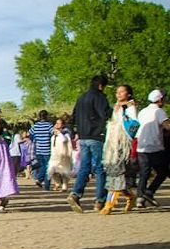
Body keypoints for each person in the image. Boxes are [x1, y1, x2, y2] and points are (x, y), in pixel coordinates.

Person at [68, 75, 111, 213]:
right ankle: (99, 200)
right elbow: (105, 114)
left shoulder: (81, 98)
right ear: (101, 86)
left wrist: (75, 131)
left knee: (84, 167)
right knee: (100, 168)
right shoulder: (100, 97)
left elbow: (73, 116)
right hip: (96, 135)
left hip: (83, 136)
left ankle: (75, 194)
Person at [100, 85, 138, 214]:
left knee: (117, 172)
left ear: (128, 93)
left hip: (121, 144)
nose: (119, 94)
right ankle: (130, 196)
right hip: (111, 143)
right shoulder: (115, 106)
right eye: (117, 92)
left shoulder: (130, 107)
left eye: (122, 91)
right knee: (113, 172)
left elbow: (133, 124)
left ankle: (109, 204)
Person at [135, 89, 170, 207]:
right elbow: (167, 127)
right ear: (160, 99)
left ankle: (140, 197)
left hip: (141, 146)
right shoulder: (159, 112)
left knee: (144, 172)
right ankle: (149, 192)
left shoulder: (142, 111)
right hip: (155, 146)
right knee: (163, 171)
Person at [29, 110, 54, 190]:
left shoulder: (35, 126)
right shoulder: (49, 126)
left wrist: (35, 140)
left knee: (42, 166)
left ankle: (41, 180)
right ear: (46, 116)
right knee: (48, 167)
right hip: (47, 149)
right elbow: (53, 134)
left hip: (38, 149)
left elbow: (29, 134)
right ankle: (44, 183)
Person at [47, 118, 74, 191]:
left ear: (63, 125)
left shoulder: (66, 133)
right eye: (56, 123)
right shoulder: (53, 134)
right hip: (54, 155)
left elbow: (64, 140)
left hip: (63, 155)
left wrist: (59, 133)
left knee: (64, 171)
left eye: (59, 123)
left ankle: (64, 186)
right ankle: (57, 182)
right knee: (51, 169)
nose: (57, 125)